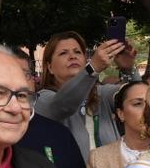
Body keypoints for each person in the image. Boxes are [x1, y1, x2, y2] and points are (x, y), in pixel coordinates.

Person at [34, 30, 137, 160]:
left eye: (77, 52)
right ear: (49, 67)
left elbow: (139, 100)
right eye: (63, 53)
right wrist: (92, 68)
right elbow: (63, 106)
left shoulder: (102, 93)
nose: (72, 56)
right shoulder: (43, 98)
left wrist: (128, 69)